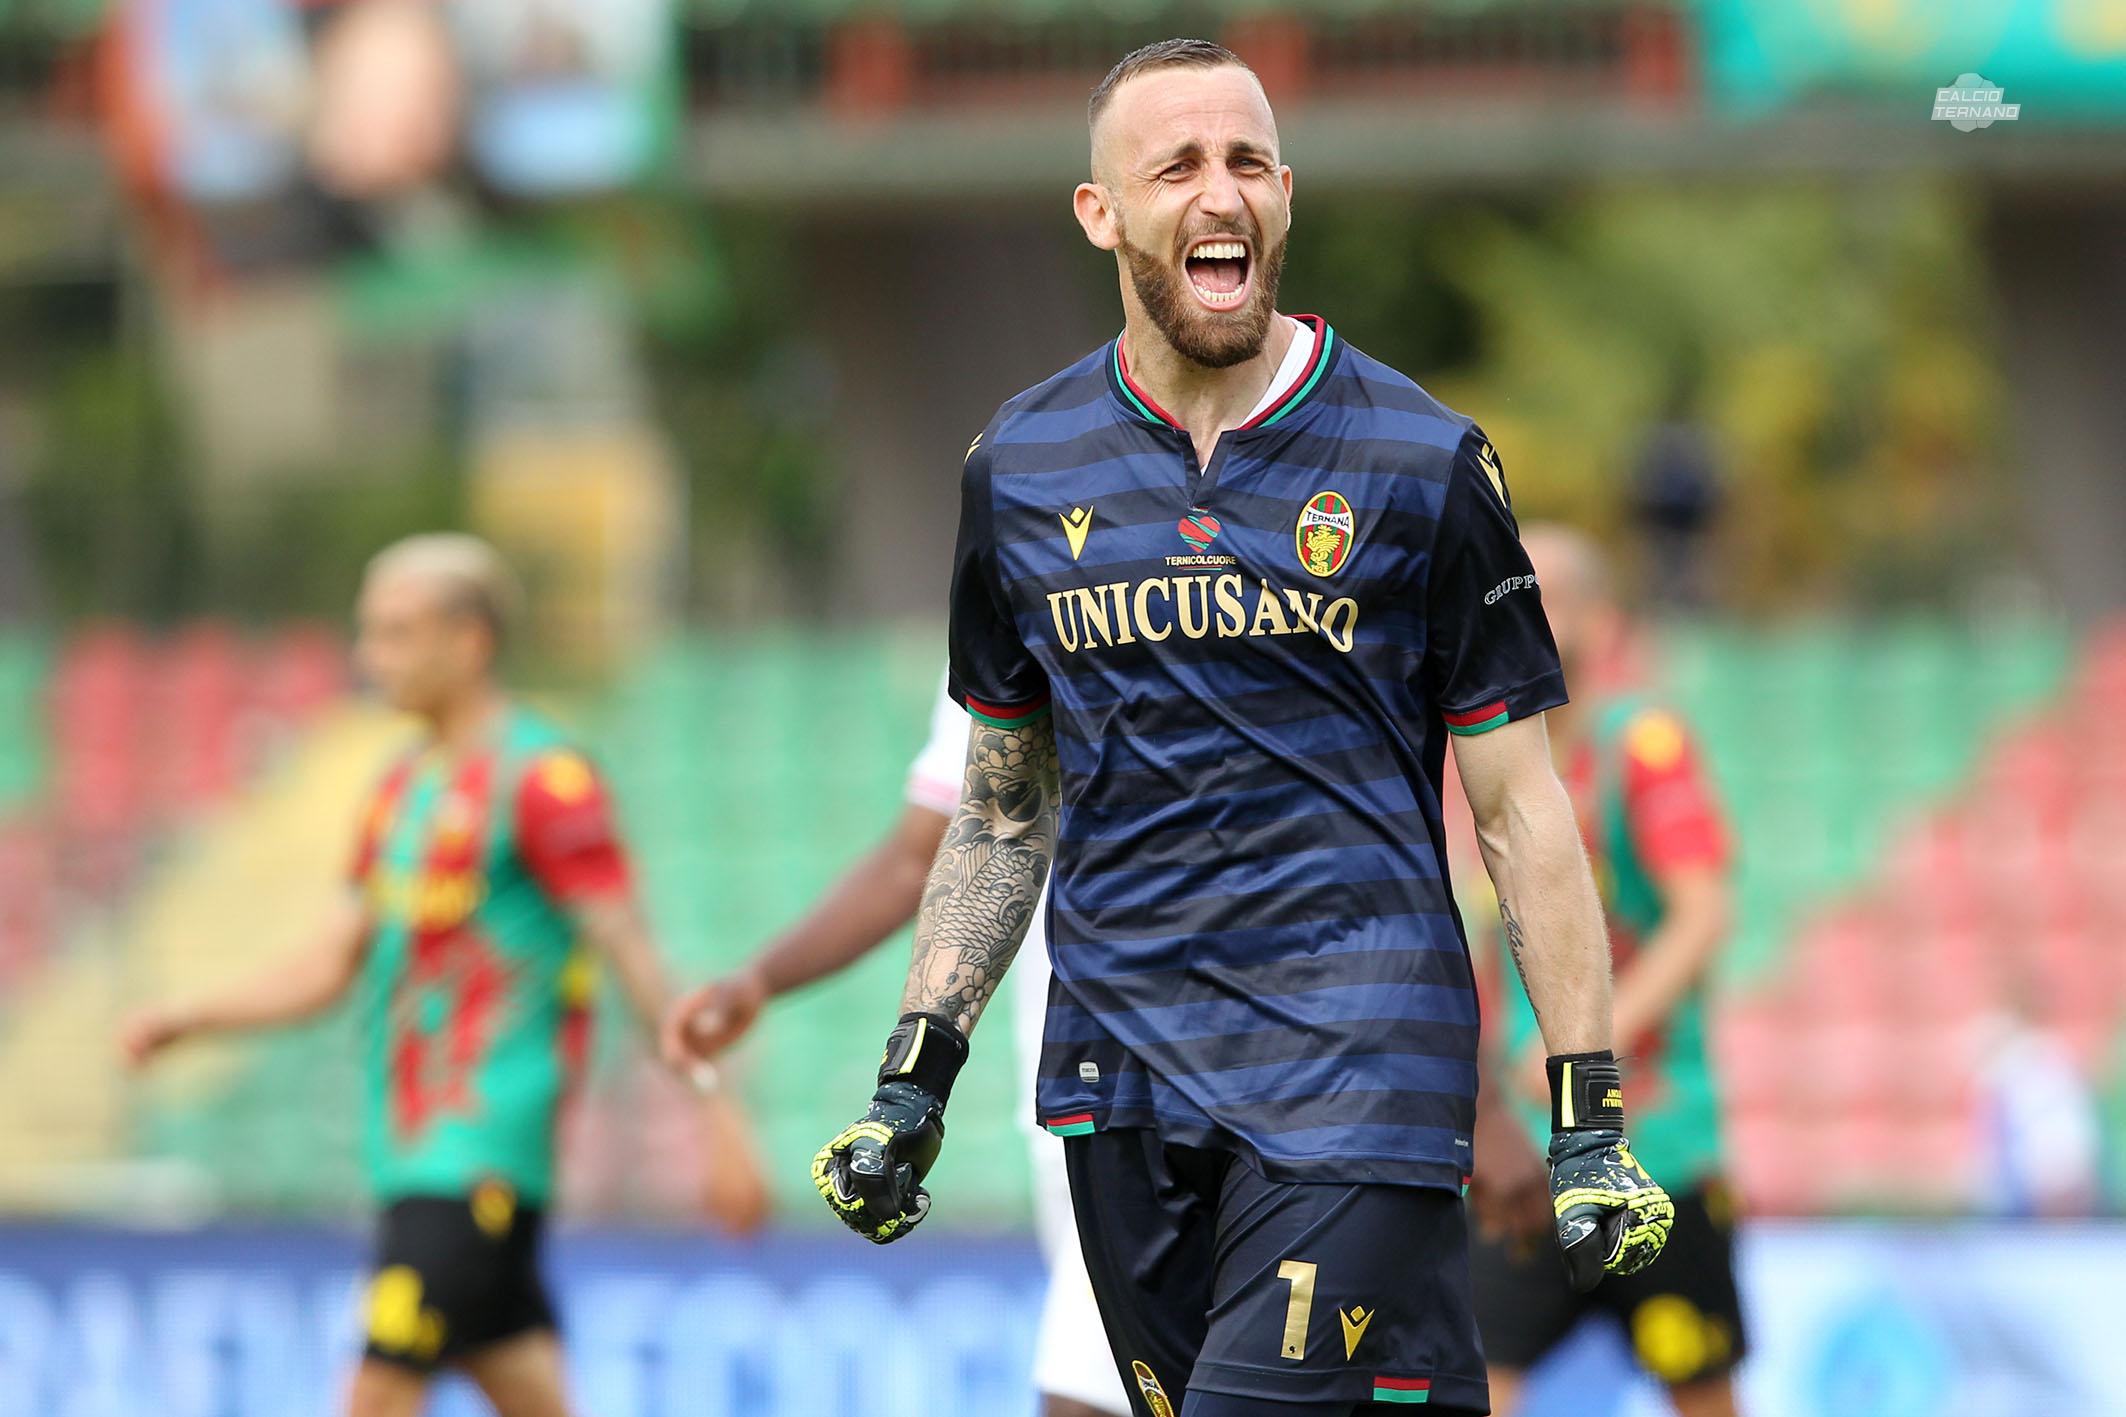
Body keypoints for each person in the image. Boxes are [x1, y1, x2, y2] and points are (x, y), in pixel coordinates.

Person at [807, 38, 1673, 1417]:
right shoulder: (1018, 469)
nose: (1222, 192)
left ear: (1283, 194)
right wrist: (915, 1079)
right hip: (1121, 1081)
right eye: (1178, 166)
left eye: (1248, 162)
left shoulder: (1421, 459)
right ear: (1102, 214)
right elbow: (999, 808)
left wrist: (1586, 1119)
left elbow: (1518, 807)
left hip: (1357, 1068)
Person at [119, 533, 767, 1417]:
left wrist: (716, 1115)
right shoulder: (401, 788)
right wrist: (196, 1013)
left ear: (468, 640)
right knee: (526, 1389)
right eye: (368, 632)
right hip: (414, 1158)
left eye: (393, 633)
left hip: (479, 1154)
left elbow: (635, 957)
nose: (368, 657)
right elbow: (332, 960)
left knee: (376, 1393)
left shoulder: (547, 780)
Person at [661, 677, 1132, 1417]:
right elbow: (940, 847)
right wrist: (761, 978)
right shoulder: (1026, 605)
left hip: (1271, 1092)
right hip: (1084, 1100)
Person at [1467, 526, 1744, 1417]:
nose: (1523, 610)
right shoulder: (1496, 753)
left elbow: (1704, 914)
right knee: (1471, 1382)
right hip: (1529, 1146)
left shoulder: (1641, 744)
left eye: (1542, 593)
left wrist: (1590, 1041)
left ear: (1601, 616)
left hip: (1649, 1140)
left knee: (1700, 1388)